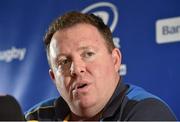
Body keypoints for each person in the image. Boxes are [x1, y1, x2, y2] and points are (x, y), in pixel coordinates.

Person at [25, 11, 177, 121]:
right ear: (53, 77)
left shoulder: (147, 112)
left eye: (88, 54)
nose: (76, 69)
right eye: (64, 62)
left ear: (115, 60)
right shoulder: (37, 117)